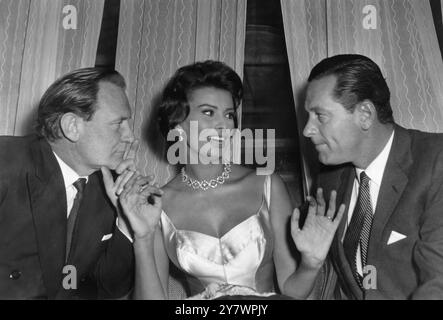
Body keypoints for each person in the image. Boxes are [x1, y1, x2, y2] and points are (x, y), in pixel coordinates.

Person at [117, 60, 345, 300]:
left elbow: (292, 290)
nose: (224, 124)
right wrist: (142, 238)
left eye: (228, 115)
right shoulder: (158, 205)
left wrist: (311, 263)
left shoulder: (267, 185)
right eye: (208, 112)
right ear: (177, 124)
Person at [0, 67, 150, 299]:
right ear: (72, 126)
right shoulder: (6, 161)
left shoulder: (107, 190)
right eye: (118, 124)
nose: (130, 136)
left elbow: (107, 289)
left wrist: (128, 221)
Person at [303, 54, 443, 299]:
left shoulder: (435, 162)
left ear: (365, 114)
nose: (307, 129)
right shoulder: (329, 182)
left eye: (320, 116)